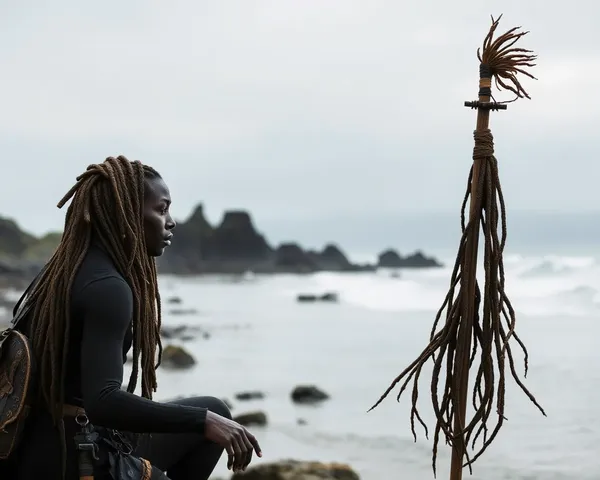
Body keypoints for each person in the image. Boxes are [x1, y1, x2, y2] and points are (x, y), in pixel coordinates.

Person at [7, 156, 262, 479]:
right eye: (161, 209)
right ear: (125, 213)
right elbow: (103, 401)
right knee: (210, 419)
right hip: (72, 458)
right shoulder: (108, 287)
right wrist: (203, 420)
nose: (170, 222)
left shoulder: (63, 271)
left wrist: (208, 417)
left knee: (217, 409)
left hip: (35, 442)